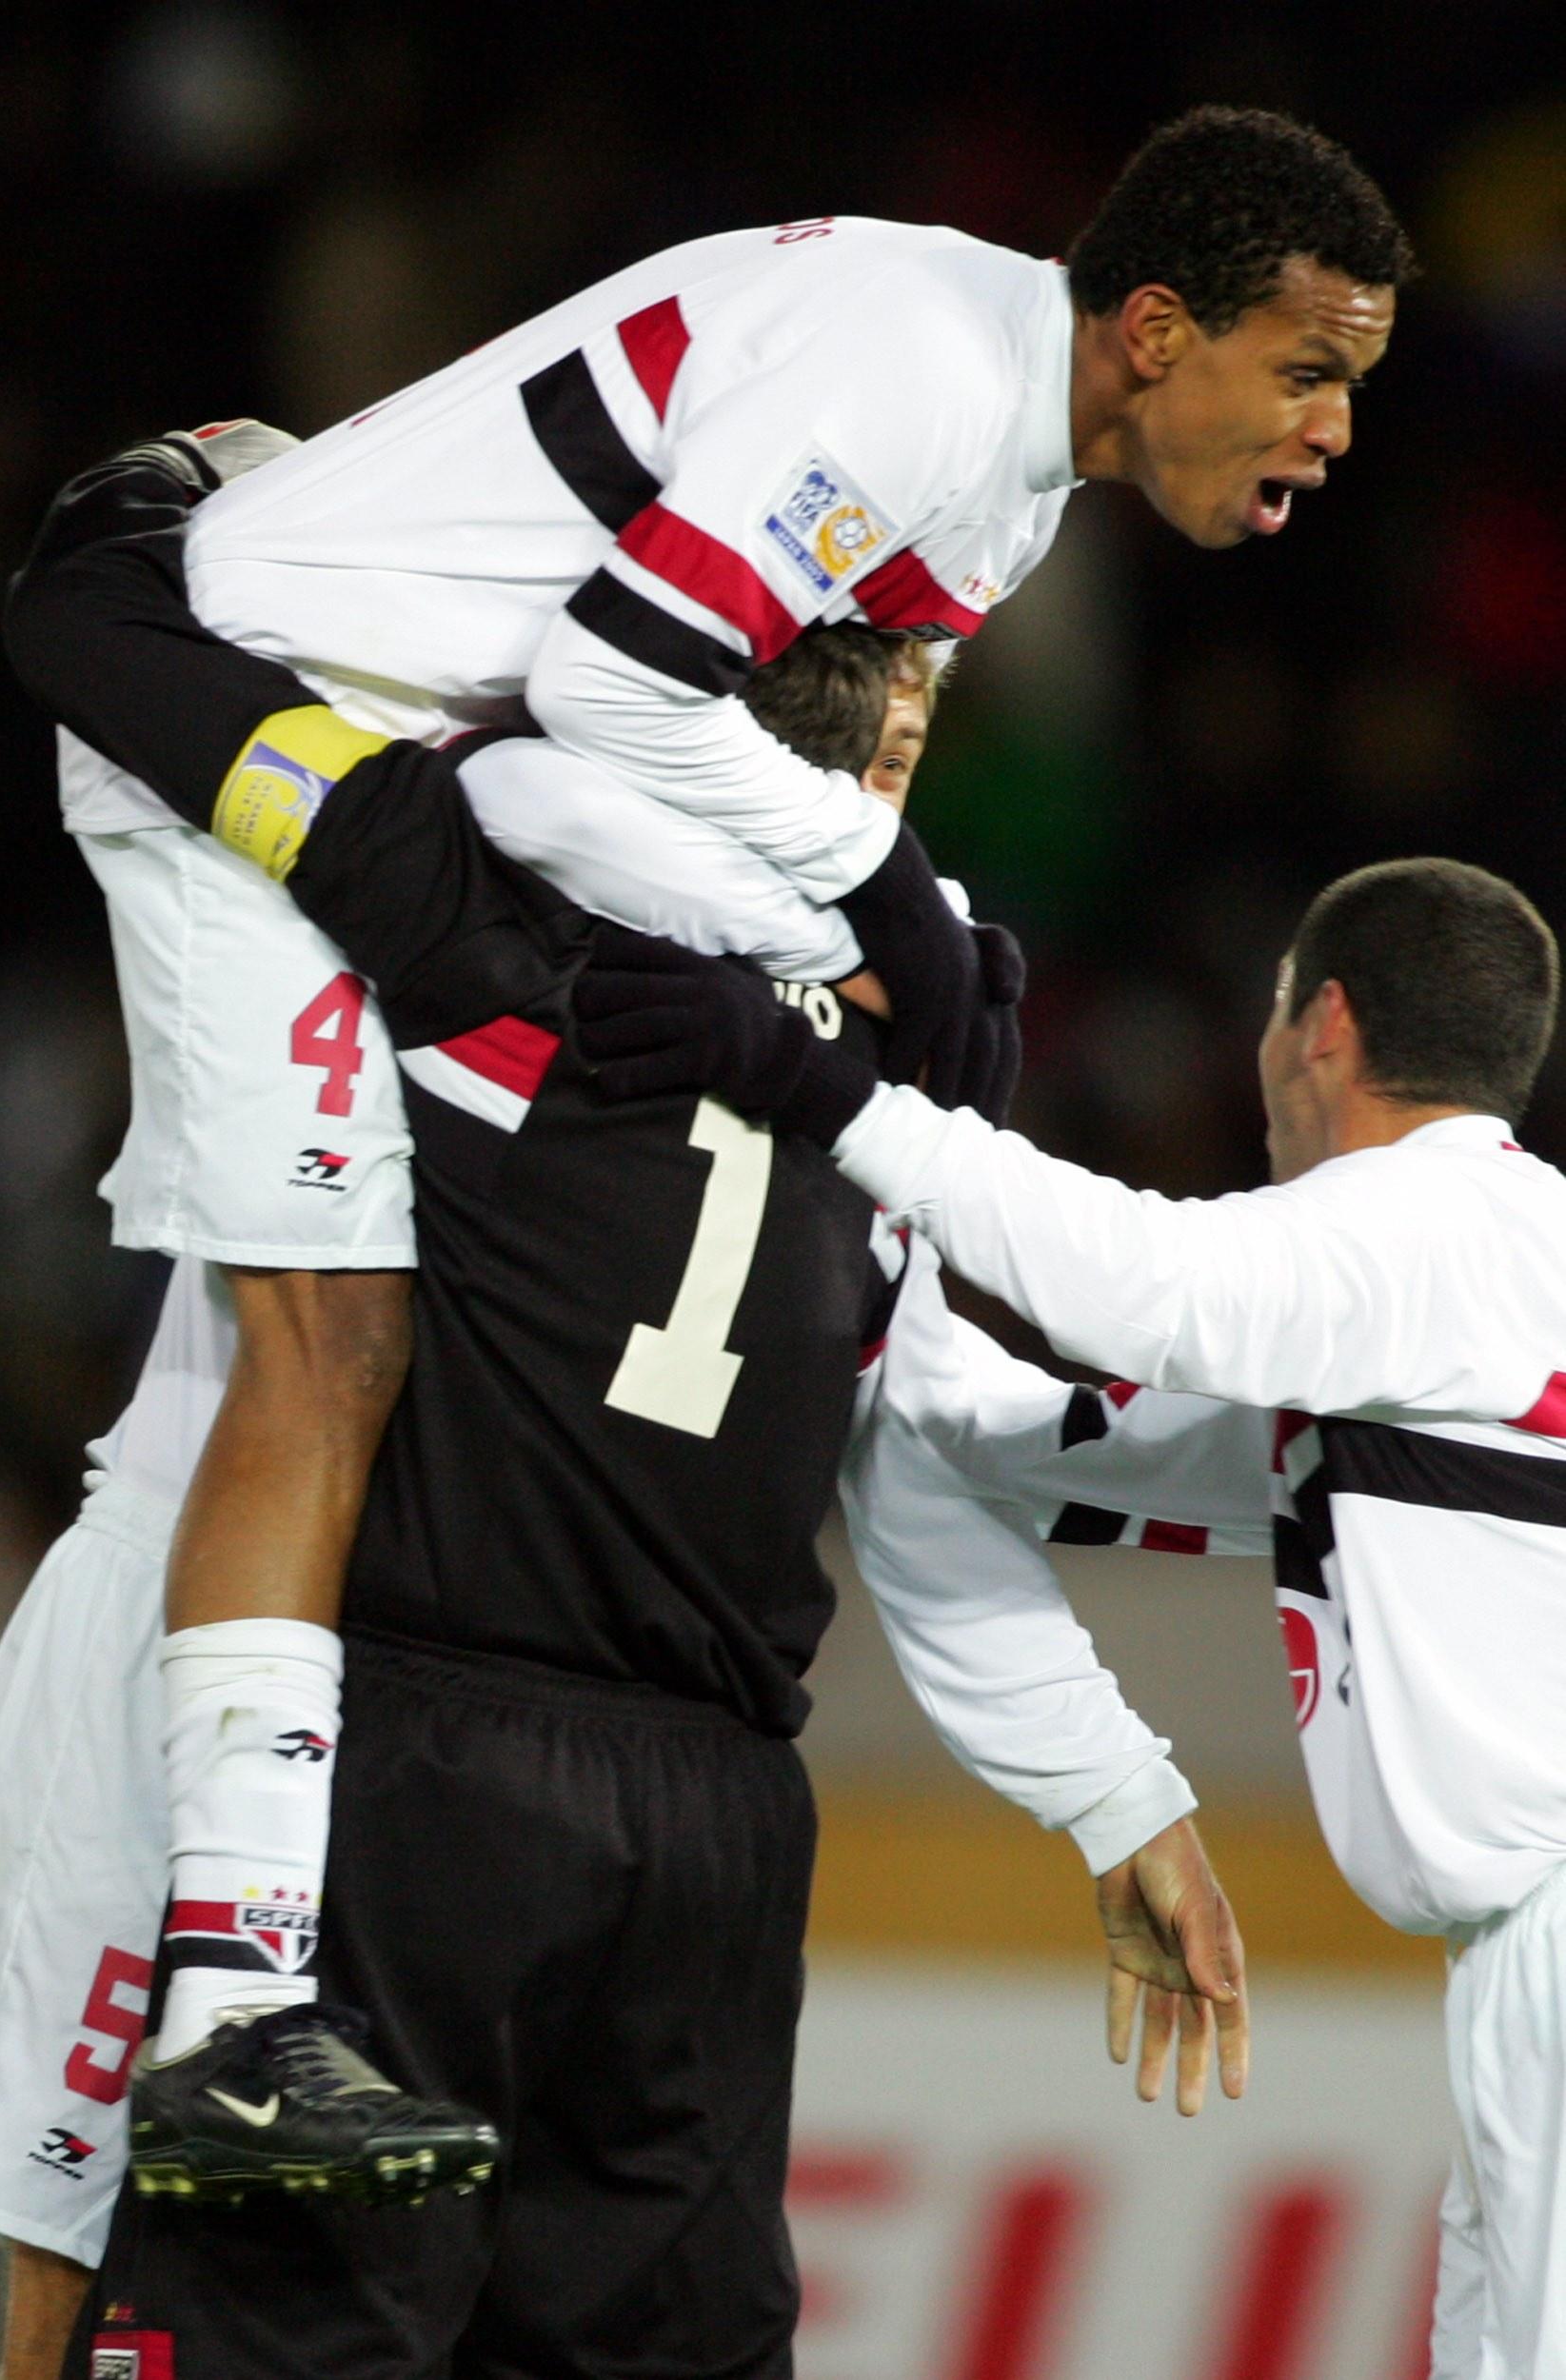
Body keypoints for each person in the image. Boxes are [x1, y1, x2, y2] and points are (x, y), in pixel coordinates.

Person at [41, 101, 1409, 2161]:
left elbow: (731, 744)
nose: (1329, 430)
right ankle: (219, 2012)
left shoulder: (1005, 465)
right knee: (327, 1336)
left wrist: (879, 914)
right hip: (261, 699)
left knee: (339, 1325)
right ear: (1151, 328)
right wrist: (875, 901)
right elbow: (618, 689)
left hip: (426, 754)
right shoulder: (924, 384)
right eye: (1305, 371)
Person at [0, 442, 1246, 2380]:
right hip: (718, 1812)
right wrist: (1109, 1782)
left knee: (277, 2334)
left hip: (426, 1755)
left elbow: (118, 642)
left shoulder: (479, 913)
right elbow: (906, 1465)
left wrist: (202, 487)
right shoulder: (927, 1061)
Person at [575, 856, 1566, 2380]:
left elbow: (1138, 1285)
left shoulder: (1441, 1233)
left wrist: (830, 1093)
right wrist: (881, 1255)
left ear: (1320, 1026)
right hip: (1514, 1980)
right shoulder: (1439, 1315)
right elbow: (1034, 1441)